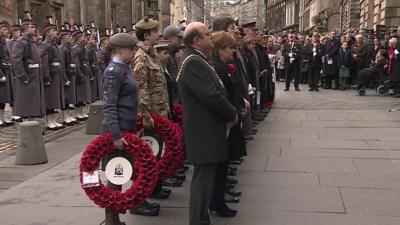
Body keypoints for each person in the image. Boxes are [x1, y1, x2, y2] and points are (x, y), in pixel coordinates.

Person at [177, 22, 238, 225]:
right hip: (203, 130)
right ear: (196, 40)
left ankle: (202, 219)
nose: (211, 37)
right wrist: (232, 113)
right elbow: (211, 95)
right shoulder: (193, 61)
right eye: (207, 34)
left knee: (205, 180)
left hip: (206, 128)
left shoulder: (198, 59)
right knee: (202, 182)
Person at [130, 16, 169, 216]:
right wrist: (145, 115)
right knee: (144, 158)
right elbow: (141, 88)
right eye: (155, 32)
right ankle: (138, 201)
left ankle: (151, 190)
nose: (158, 34)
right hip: (149, 117)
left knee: (154, 156)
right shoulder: (141, 57)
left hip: (158, 113)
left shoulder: (151, 54)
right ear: (147, 35)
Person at [101, 32, 138, 225]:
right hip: (118, 131)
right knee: (116, 175)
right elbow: (109, 105)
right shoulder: (113, 71)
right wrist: (115, 134)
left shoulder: (124, 68)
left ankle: (114, 219)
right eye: (131, 49)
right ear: (118, 50)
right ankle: (111, 221)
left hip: (127, 128)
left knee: (121, 173)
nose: (133, 52)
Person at [209, 31, 243, 217]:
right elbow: (220, 96)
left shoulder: (221, 65)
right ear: (221, 49)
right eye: (230, 48)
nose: (232, 51)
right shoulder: (217, 67)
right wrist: (231, 114)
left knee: (223, 164)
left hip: (228, 119)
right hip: (223, 122)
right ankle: (217, 202)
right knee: (220, 166)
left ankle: (218, 200)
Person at [11, 17, 45, 120]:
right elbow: (16, 61)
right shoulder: (21, 43)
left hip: (34, 76)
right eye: (32, 27)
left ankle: (33, 125)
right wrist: (23, 76)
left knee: (33, 104)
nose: (35, 29)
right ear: (26, 29)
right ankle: (28, 127)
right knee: (27, 104)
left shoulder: (31, 43)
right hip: (27, 78)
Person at [39, 20, 66, 130]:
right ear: (48, 32)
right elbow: (44, 61)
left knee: (55, 99)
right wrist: (47, 76)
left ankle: (53, 120)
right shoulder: (46, 45)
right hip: (51, 75)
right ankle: (49, 122)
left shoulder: (53, 44)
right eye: (54, 31)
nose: (56, 33)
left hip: (56, 74)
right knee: (50, 99)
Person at [59, 24, 78, 125]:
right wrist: (65, 78)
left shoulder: (70, 48)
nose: (70, 38)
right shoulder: (62, 49)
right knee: (65, 98)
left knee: (70, 97)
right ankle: (65, 116)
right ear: (63, 38)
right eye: (68, 37)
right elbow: (62, 65)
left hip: (71, 74)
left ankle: (69, 115)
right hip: (66, 75)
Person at [72, 29, 91, 120]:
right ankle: (78, 113)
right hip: (81, 73)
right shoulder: (77, 49)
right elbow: (77, 63)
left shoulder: (82, 48)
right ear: (78, 38)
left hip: (85, 71)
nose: (85, 39)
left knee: (84, 94)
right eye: (83, 37)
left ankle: (82, 112)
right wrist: (79, 74)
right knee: (80, 94)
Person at [163, 26, 183, 102]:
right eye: (179, 38)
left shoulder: (173, 54)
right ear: (171, 38)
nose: (181, 41)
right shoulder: (165, 57)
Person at [0, 21, 14, 127]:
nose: (6, 31)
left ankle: (5, 118)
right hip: (1, 73)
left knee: (5, 98)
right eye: (4, 29)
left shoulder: (6, 43)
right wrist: (1, 75)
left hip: (7, 71)